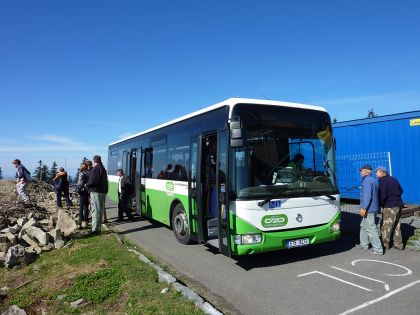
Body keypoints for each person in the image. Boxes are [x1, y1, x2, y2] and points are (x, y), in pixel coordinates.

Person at [355, 164, 383, 255]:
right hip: (372, 208)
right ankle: (364, 244)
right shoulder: (373, 180)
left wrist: (363, 208)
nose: (360, 172)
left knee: (371, 229)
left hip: (368, 209)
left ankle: (378, 249)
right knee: (363, 226)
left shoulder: (367, 181)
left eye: (361, 170)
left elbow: (367, 196)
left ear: (365, 171)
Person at [376, 166, 404, 250]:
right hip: (398, 204)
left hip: (390, 206)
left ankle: (385, 244)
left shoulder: (383, 181)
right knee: (396, 225)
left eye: (377, 172)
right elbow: (401, 190)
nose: (376, 174)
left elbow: (383, 196)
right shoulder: (394, 179)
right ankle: (399, 244)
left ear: (382, 172)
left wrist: (381, 204)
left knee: (386, 226)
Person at [86, 155, 108, 235]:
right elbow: (106, 182)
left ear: (94, 161)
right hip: (102, 192)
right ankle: (98, 228)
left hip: (95, 192)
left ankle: (95, 230)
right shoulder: (103, 169)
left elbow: (92, 181)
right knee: (100, 210)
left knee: (95, 210)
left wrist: (87, 185)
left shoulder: (95, 169)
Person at [77, 163, 90, 228]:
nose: (88, 167)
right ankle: (82, 218)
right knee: (83, 205)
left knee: (85, 205)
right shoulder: (82, 173)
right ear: (85, 167)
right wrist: (86, 185)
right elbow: (80, 182)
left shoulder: (84, 172)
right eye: (87, 166)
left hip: (84, 190)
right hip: (83, 190)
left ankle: (84, 218)